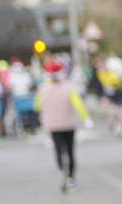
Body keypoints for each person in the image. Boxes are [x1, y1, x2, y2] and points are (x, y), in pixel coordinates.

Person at [35, 59, 92, 191]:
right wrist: (86, 119)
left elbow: (37, 106)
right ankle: (71, 177)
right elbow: (78, 104)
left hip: (52, 125)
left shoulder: (43, 88)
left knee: (58, 150)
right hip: (68, 123)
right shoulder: (69, 87)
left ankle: (61, 172)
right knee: (70, 151)